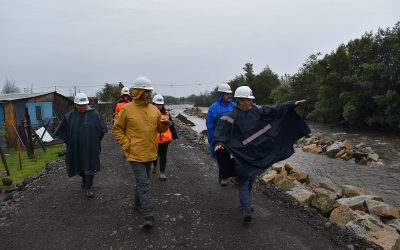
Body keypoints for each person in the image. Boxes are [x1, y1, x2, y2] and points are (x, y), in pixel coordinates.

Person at [213, 86, 310, 222]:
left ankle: (246, 204)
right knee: (243, 180)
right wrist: (219, 143)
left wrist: (290, 104)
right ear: (240, 101)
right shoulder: (230, 117)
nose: (251, 102)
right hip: (241, 155)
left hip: (256, 153)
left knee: (251, 177)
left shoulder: (257, 111)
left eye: (251, 99)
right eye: (248, 100)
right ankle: (246, 208)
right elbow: (220, 133)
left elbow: (274, 109)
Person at [112, 76, 170, 228]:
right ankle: (148, 215)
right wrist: (127, 144)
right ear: (137, 91)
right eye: (145, 91)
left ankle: (137, 203)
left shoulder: (154, 110)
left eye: (149, 91)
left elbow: (159, 129)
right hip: (135, 153)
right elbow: (117, 129)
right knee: (144, 183)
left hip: (150, 152)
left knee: (143, 182)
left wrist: (165, 125)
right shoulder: (126, 109)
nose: (148, 94)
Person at [54, 93, 108, 198]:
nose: (83, 107)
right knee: (78, 166)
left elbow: (102, 130)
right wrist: (68, 142)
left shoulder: (95, 115)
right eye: (80, 105)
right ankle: (84, 178)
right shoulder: (69, 116)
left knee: (90, 167)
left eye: (85, 105)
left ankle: (88, 188)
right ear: (75, 105)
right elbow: (62, 131)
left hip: (91, 148)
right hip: (76, 147)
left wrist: (96, 142)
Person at [206, 83, 235, 186]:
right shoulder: (214, 108)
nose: (229, 96)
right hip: (218, 139)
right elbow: (210, 125)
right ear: (221, 94)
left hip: (232, 138)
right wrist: (212, 140)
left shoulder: (233, 106)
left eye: (230, 94)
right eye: (227, 94)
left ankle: (235, 177)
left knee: (234, 158)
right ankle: (224, 178)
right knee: (221, 158)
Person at [151, 94, 178, 181]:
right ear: (153, 104)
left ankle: (162, 172)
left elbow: (171, 126)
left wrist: (175, 136)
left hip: (165, 140)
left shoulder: (167, 114)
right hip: (154, 139)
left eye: (160, 104)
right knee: (155, 155)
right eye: (157, 104)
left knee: (163, 156)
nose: (159, 106)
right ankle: (154, 165)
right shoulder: (150, 114)